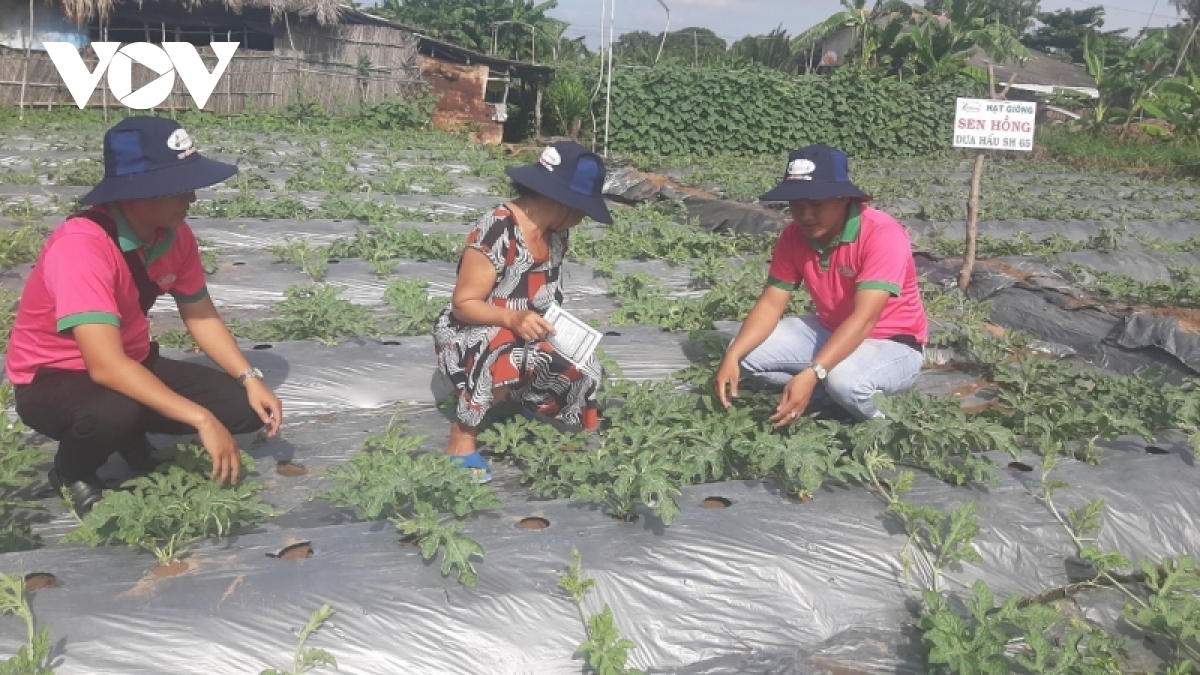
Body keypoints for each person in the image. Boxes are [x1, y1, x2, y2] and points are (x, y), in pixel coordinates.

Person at [5, 116, 283, 515]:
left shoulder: (175, 235)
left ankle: (130, 434)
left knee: (242, 409)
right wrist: (201, 419)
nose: (193, 198)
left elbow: (200, 314)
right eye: (179, 187)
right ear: (136, 192)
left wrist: (249, 377)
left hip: (130, 360)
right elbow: (104, 367)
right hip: (54, 378)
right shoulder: (81, 247)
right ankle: (71, 471)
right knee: (113, 410)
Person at [433, 141, 612, 483]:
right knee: (504, 346)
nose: (583, 218)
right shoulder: (499, 227)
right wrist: (512, 318)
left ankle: (562, 431)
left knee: (586, 364)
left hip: (523, 329)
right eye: (583, 209)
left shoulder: (557, 236)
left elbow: (544, 296)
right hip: (472, 334)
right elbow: (464, 304)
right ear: (562, 201)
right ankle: (461, 438)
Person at [715, 144, 927, 426]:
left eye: (816, 205)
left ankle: (890, 428)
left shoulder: (882, 234)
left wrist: (815, 371)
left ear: (843, 199)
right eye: (797, 205)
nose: (805, 216)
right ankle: (826, 396)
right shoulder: (794, 236)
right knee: (745, 355)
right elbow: (770, 303)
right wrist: (733, 355)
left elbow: (865, 320)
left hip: (893, 344)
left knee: (846, 383)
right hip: (832, 331)